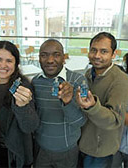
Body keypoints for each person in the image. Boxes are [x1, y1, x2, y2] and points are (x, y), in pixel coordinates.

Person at [76, 32, 128, 168]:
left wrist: (92, 106)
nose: (97, 56)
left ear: (113, 54)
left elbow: (115, 120)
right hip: (82, 143)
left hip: (99, 151)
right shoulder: (89, 73)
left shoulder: (120, 80)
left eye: (104, 51)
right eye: (93, 50)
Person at [0, 40, 39, 167]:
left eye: (9, 61)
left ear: (16, 63)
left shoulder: (24, 88)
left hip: (17, 153)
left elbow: (30, 126)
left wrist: (22, 107)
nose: (3, 65)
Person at [32, 39, 87, 168]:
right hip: (41, 149)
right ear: (39, 58)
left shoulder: (78, 80)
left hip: (68, 151)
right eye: (44, 55)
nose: (50, 60)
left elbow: (80, 122)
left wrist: (68, 102)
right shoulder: (35, 82)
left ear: (64, 58)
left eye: (56, 55)